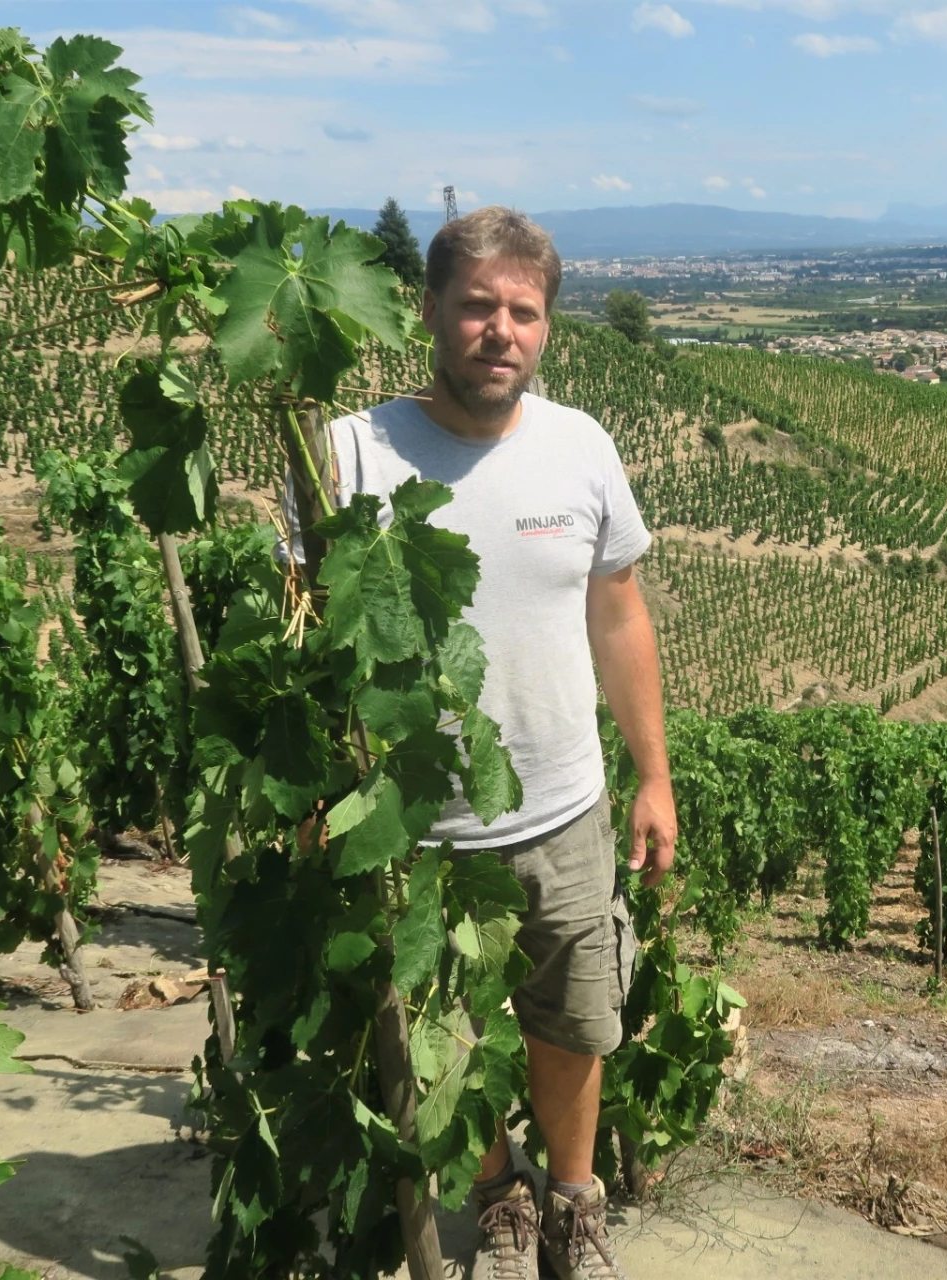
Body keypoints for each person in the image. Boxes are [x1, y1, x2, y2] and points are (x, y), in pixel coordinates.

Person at [312, 206, 676, 1280]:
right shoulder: (350, 452)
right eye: (477, 305)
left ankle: (573, 1203)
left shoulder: (581, 447)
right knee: (451, 1032)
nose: (499, 330)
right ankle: (497, 1197)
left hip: (565, 809)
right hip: (417, 826)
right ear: (429, 310)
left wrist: (652, 774)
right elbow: (306, 626)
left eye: (523, 310)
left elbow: (619, 614)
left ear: (547, 326)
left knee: (573, 1023)